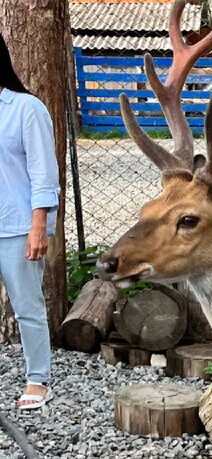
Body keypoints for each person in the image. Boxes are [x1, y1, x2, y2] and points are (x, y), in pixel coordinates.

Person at [0, 31, 58, 410]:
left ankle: (38, 378)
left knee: (26, 306)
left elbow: (43, 173)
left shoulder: (26, 109)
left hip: (18, 225)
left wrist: (39, 225)